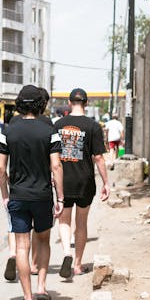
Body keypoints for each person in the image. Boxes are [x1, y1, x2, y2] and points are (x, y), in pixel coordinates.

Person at [0, 84, 64, 300]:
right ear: (40, 105)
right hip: (43, 195)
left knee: (22, 247)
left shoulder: (7, 131)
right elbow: (55, 165)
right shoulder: (49, 131)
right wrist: (60, 198)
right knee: (43, 241)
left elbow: (0, 168)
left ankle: (26, 298)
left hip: (18, 195)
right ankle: (42, 287)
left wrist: (5, 195)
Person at [55, 88, 110, 278]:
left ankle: (66, 254)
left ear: (70, 103)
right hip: (85, 180)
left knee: (64, 220)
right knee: (82, 222)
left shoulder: (58, 125)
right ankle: (77, 264)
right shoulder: (93, 126)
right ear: (86, 103)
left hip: (63, 179)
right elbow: (99, 158)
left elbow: (52, 156)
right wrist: (106, 183)